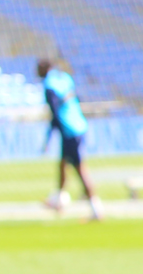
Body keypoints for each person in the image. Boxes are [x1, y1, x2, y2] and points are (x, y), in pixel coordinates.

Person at [37, 57, 102, 221]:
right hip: (78, 125)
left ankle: (96, 209)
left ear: (44, 69)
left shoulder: (49, 86)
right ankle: (58, 200)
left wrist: (48, 139)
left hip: (70, 130)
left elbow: (55, 114)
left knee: (80, 169)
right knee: (63, 164)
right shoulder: (64, 78)